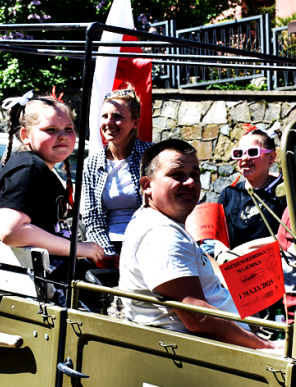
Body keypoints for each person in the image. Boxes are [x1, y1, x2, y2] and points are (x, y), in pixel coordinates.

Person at [118, 139, 280, 350]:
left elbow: (197, 257)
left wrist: (234, 283)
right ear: (147, 185)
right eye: (177, 174)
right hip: (211, 352)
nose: (190, 182)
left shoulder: (159, 221)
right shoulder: (162, 234)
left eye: (195, 174)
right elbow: (198, 317)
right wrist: (266, 347)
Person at [0, 92, 103, 266]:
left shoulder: (38, 168)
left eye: (68, 128)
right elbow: (11, 231)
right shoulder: (28, 169)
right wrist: (78, 248)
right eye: (50, 130)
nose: (62, 135)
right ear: (25, 135)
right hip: (17, 276)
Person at [83, 87, 153, 258]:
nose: (109, 122)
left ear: (135, 123)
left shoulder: (152, 155)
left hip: (150, 242)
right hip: (109, 247)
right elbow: (92, 220)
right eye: (105, 116)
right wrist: (110, 255)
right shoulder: (92, 164)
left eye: (118, 117)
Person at [218, 126, 286, 248]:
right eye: (239, 153)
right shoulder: (228, 194)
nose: (244, 158)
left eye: (252, 152)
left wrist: (248, 248)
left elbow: (291, 235)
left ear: (271, 157)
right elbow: (220, 238)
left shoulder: (285, 192)